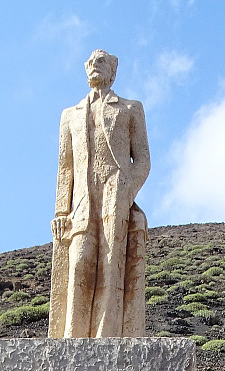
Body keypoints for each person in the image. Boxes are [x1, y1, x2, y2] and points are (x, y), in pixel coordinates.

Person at [48, 49, 151, 339]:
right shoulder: (70, 115)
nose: (95, 65)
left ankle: (107, 339)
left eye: (101, 61)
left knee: (111, 268)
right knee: (80, 264)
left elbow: (142, 160)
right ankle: (73, 340)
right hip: (81, 204)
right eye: (91, 62)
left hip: (114, 199)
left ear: (113, 71)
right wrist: (60, 211)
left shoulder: (130, 108)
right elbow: (65, 166)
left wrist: (124, 191)